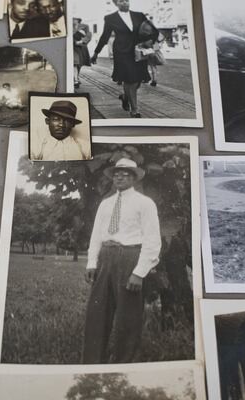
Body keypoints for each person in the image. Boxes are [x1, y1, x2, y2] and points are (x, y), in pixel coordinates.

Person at [83, 157, 161, 363]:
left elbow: (153, 240)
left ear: (134, 177)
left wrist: (139, 272)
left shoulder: (145, 203)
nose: (120, 176)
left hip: (130, 257)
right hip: (106, 257)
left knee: (128, 317)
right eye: (116, 173)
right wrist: (92, 263)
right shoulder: (106, 204)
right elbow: (96, 235)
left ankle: (123, 362)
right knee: (97, 312)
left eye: (125, 173)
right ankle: (92, 361)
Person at [90, 0, 158, 118]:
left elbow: (152, 30)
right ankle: (134, 110)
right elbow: (105, 36)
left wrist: (151, 42)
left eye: (127, 0)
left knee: (137, 81)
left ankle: (125, 97)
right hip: (122, 52)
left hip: (139, 51)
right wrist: (96, 53)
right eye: (121, 1)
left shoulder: (139, 15)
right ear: (116, 3)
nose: (125, 3)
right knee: (130, 80)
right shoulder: (110, 18)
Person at [72, 18, 92, 88]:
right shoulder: (68, 26)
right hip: (72, 47)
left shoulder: (85, 26)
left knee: (79, 64)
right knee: (75, 63)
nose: (73, 20)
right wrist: (74, 42)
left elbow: (89, 35)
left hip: (81, 47)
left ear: (78, 20)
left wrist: (83, 41)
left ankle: (76, 77)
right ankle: (75, 79)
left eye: (74, 19)